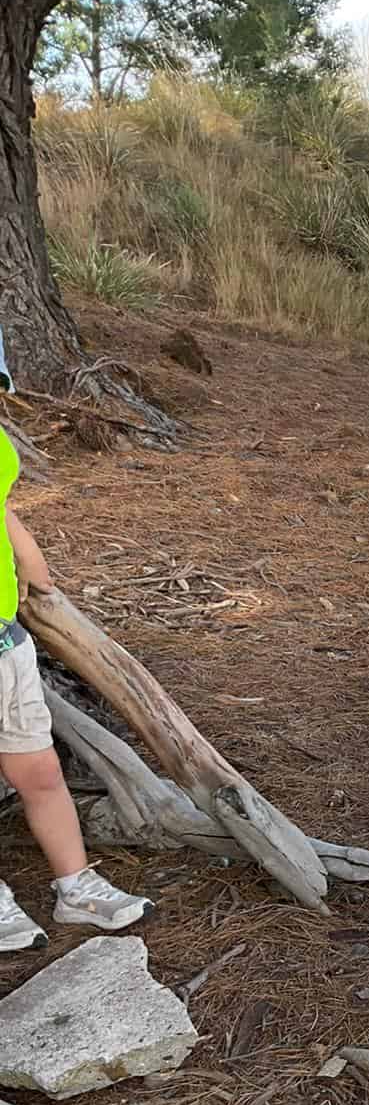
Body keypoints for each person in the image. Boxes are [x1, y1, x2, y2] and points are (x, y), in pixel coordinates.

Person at [0, 332, 154, 951]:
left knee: (38, 770)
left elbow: (4, 510)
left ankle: (75, 885)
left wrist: (31, 567)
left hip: (5, 641)